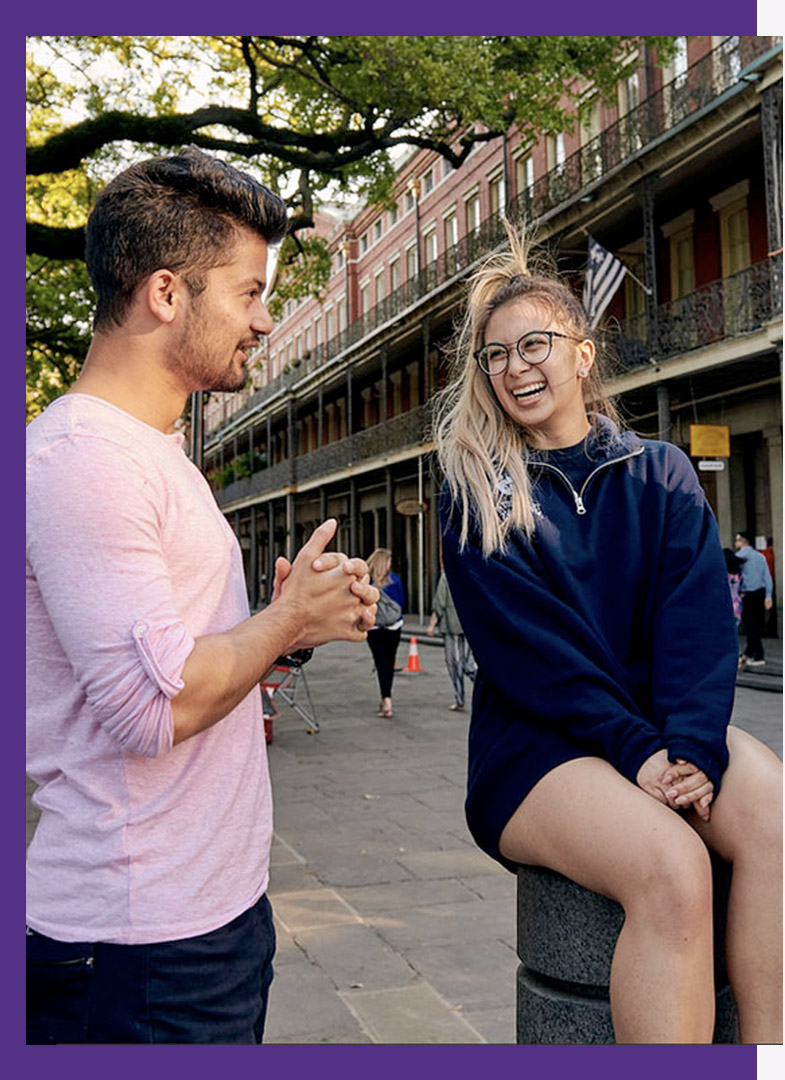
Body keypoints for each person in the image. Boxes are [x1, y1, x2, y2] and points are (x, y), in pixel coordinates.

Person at [26, 148, 379, 1045]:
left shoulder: (152, 453)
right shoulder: (86, 462)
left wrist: (289, 629)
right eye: (249, 292)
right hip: (138, 947)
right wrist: (285, 618)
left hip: (207, 921)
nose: (263, 320)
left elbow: (184, 660)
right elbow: (158, 706)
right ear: (165, 294)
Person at [434, 227, 782, 1044]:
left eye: (535, 345)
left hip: (658, 724)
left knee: (774, 815)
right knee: (671, 866)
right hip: (535, 748)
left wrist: (689, 746)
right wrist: (639, 753)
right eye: (496, 355)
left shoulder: (658, 470)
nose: (516, 367)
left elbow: (697, 623)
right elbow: (535, 658)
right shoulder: (477, 490)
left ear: (582, 355)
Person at [427, 570, 477, 710]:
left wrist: (432, 625)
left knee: (454, 664)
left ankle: (460, 698)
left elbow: (440, 603)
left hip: (452, 627)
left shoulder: (447, 576)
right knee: (468, 663)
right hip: (469, 626)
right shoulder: (470, 574)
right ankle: (485, 688)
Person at [366, 548, 405, 718]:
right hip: (393, 626)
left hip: (374, 627)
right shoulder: (394, 580)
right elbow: (402, 602)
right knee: (389, 662)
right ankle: (387, 698)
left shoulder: (367, 582)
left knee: (380, 663)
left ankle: (385, 699)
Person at [734, 531, 773, 667]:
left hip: (747, 594)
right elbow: (767, 577)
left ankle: (758, 655)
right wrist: (768, 595)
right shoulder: (760, 556)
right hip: (760, 592)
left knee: (750, 625)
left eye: (737, 540)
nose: (736, 542)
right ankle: (749, 652)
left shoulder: (738, 557)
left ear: (743, 541)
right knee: (756, 623)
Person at [722, 548, 743, 631]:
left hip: (724, 603)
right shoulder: (739, 575)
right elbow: (742, 589)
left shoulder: (723, 576)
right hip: (737, 603)